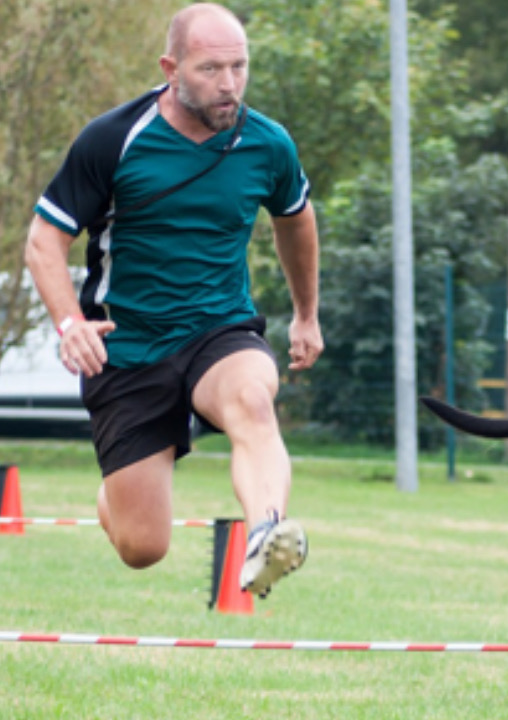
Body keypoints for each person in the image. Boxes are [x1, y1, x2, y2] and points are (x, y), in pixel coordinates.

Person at [24, 2, 321, 599]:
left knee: (253, 402)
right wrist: (69, 323)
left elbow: (296, 218)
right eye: (211, 69)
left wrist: (306, 314)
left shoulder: (268, 144)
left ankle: (266, 531)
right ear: (171, 67)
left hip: (219, 329)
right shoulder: (113, 140)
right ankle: (118, 486)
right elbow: (43, 240)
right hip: (127, 348)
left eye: (239, 67)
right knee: (142, 547)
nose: (229, 84)